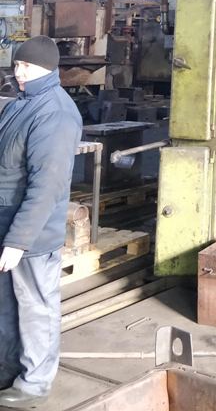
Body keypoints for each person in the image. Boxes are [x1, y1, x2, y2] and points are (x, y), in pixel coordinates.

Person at [0, 36, 82, 408]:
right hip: (7, 224)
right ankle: (8, 371)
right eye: (17, 64)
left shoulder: (55, 114)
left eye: (27, 67)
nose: (19, 72)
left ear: (48, 69)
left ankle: (34, 385)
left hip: (31, 237)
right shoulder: (22, 104)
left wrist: (18, 241)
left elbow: (46, 186)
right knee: (7, 307)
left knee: (36, 308)